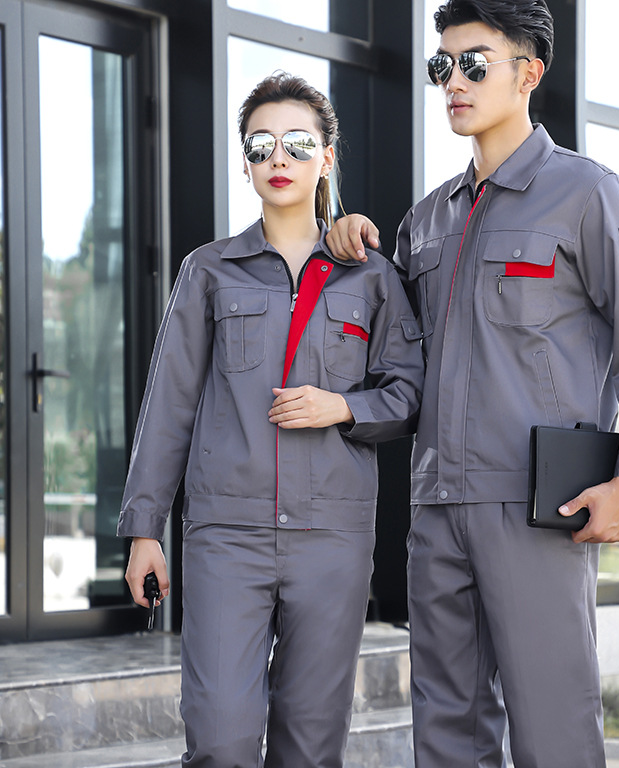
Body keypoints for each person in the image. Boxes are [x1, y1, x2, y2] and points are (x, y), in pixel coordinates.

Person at [327, 0, 619, 768]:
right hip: (436, 504)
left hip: (538, 506)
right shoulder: (427, 219)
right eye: (442, 66)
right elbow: (396, 359)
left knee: (553, 724)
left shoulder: (585, 195)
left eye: (474, 64)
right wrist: (348, 249)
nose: (453, 82)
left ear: (529, 73)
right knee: (446, 729)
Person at [117, 72, 424, 768]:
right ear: (246, 162)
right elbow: (168, 404)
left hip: (333, 539)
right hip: (226, 536)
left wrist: (343, 406)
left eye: (297, 143)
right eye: (261, 146)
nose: (277, 158)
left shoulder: (370, 276)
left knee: (310, 746)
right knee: (220, 739)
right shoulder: (208, 272)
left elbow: (409, 393)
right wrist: (144, 529)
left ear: (327, 157)